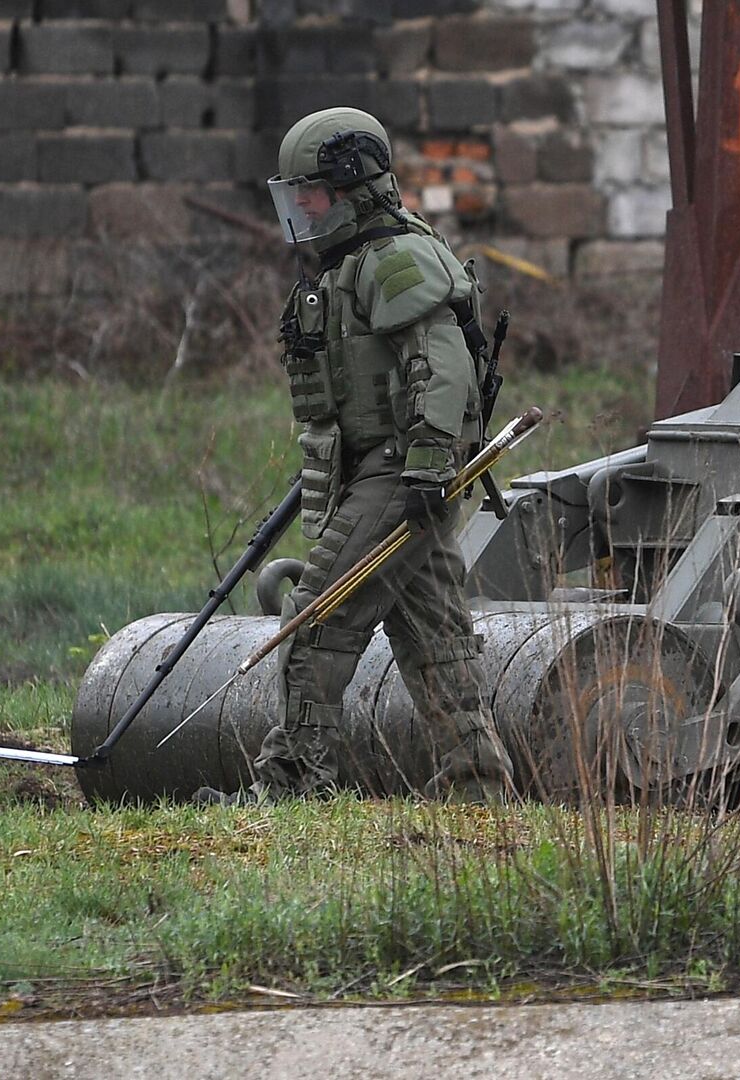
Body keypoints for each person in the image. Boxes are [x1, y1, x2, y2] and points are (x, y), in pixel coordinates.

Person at [198, 107, 515, 804]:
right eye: (296, 193)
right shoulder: (353, 265)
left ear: (353, 187)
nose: (301, 206)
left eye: (310, 190)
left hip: (403, 470)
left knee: (314, 622)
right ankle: (479, 790)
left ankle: (292, 787)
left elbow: (442, 363)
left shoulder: (396, 259)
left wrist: (429, 464)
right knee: (439, 643)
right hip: (388, 470)